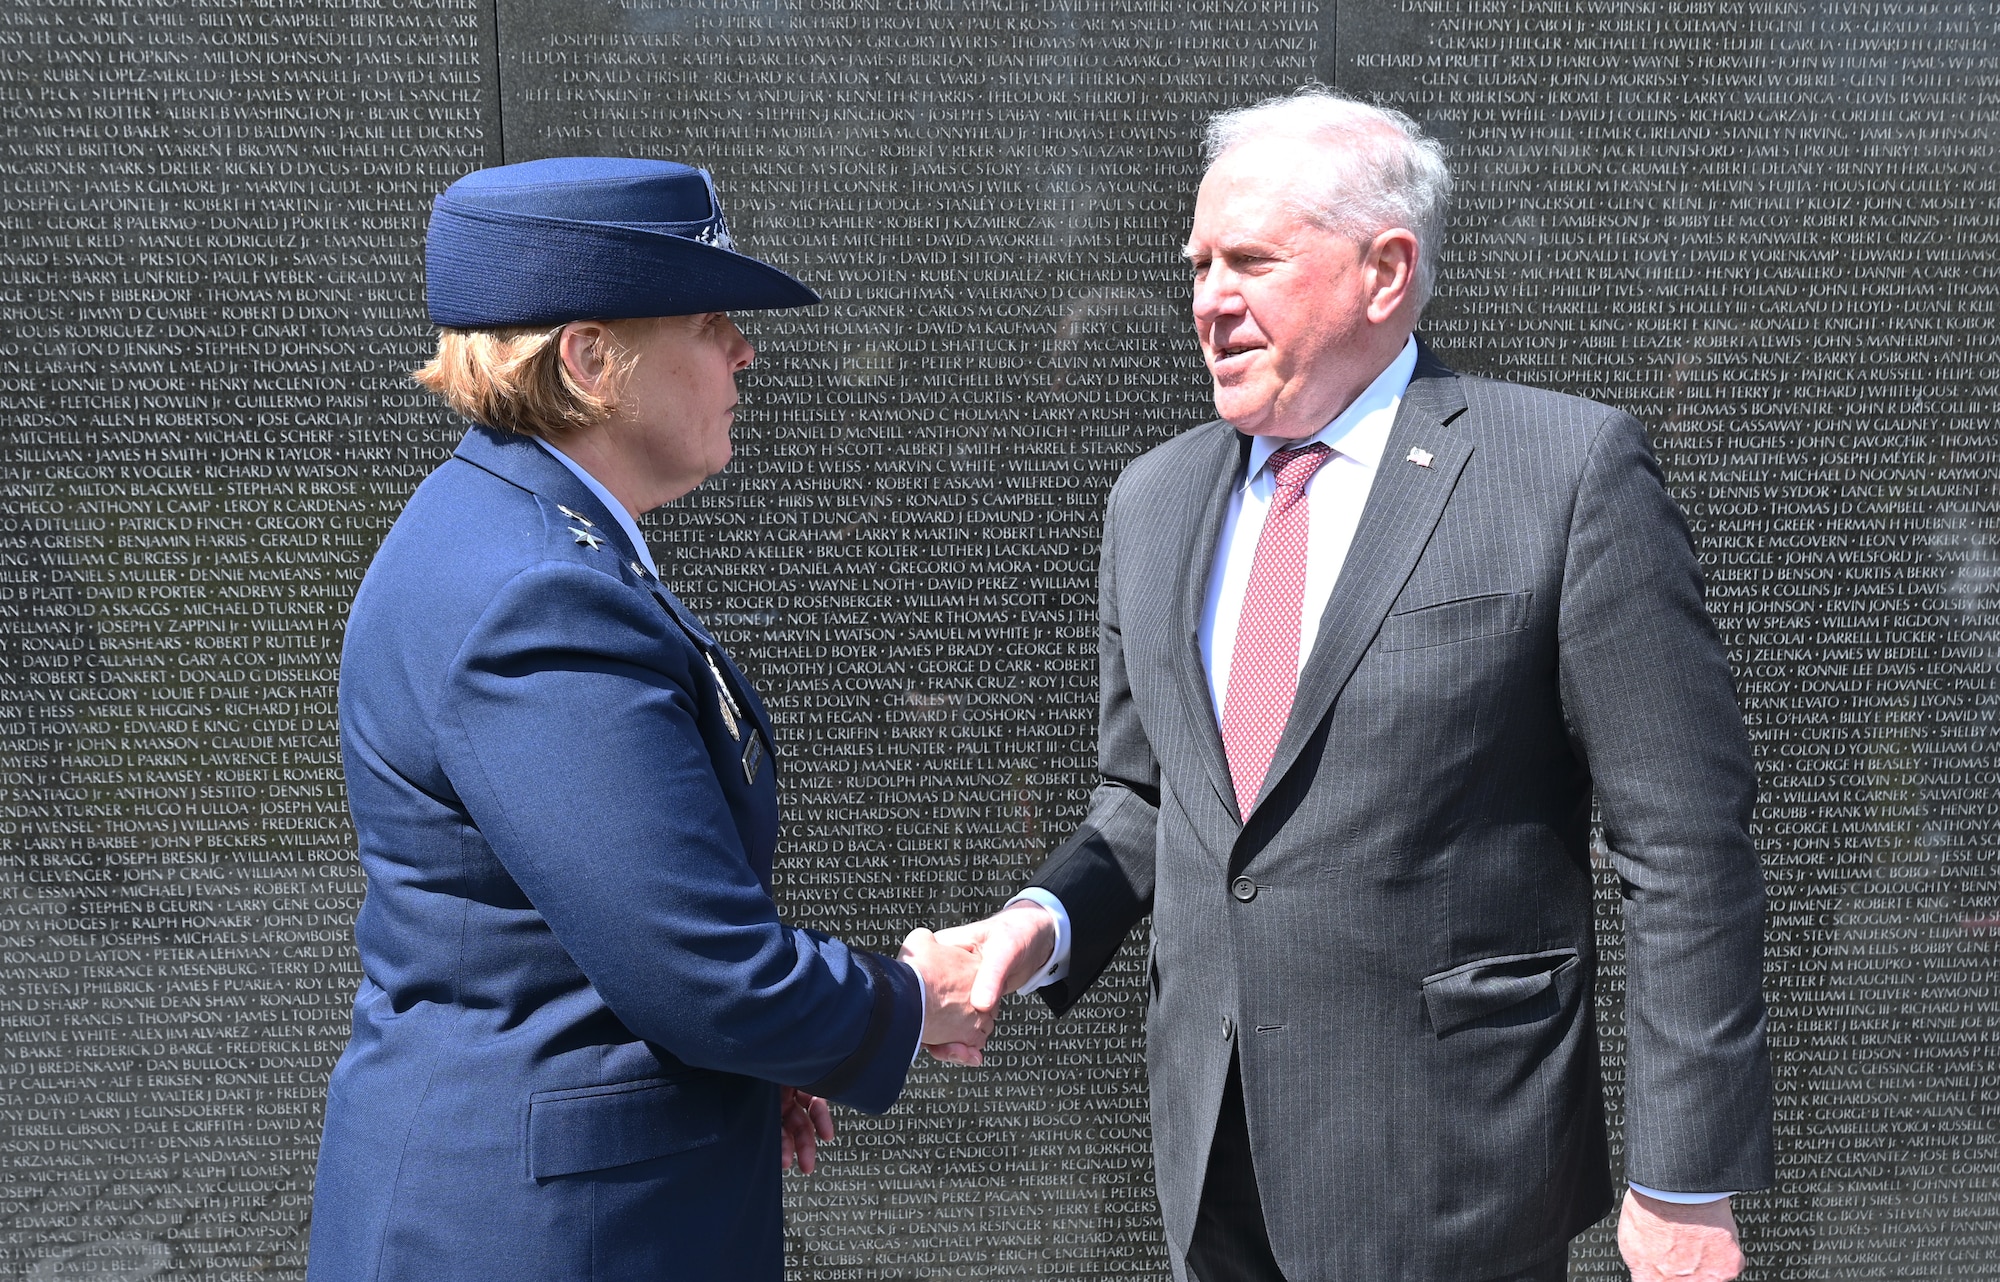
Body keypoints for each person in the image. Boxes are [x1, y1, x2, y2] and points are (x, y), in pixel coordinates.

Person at [932, 89, 1774, 1282]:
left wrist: (1680, 1175)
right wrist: (1037, 925)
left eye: (1250, 261)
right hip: (1214, 1168)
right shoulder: (1153, 500)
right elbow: (1147, 798)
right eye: (1198, 264)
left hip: (1454, 1173)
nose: (1207, 299)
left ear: (1385, 272)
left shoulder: (1562, 474)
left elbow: (1681, 844)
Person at [306, 157, 988, 1282]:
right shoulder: (538, 590)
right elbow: (703, 968)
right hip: (546, 1234)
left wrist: (746, 1065)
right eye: (711, 321)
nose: (743, 351)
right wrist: (913, 999)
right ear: (589, 359)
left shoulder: (517, 525)